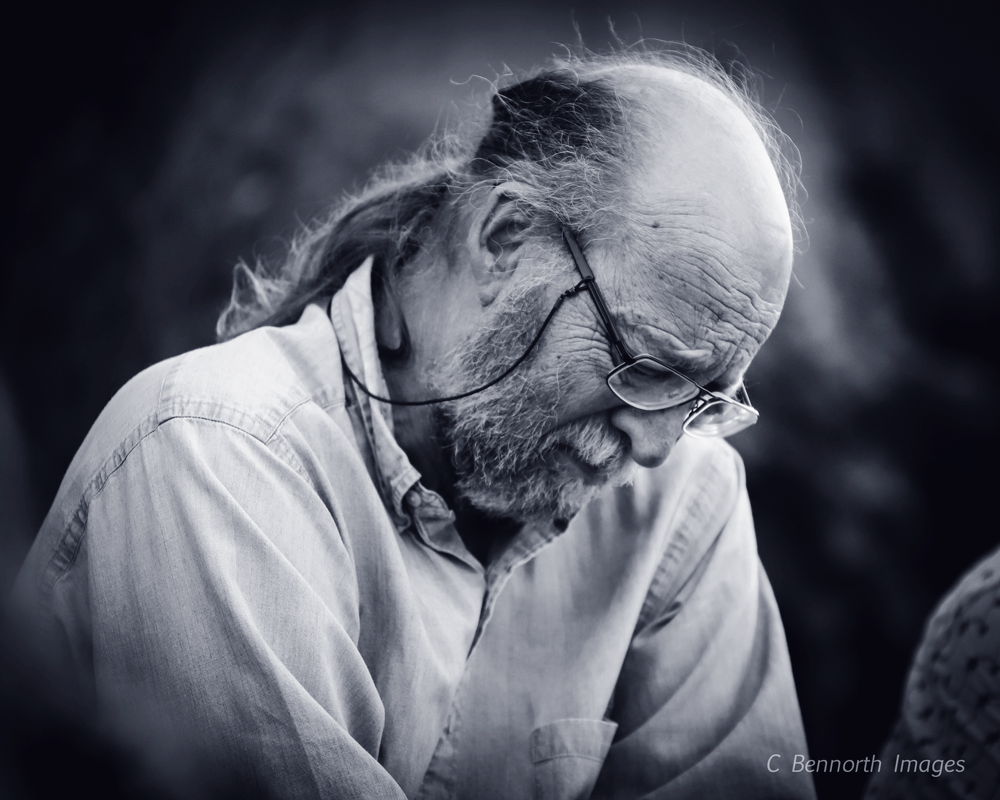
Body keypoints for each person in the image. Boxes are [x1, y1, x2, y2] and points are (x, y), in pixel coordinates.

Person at [13, 46, 815, 799]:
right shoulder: (217, 458)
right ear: (506, 238)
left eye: (709, 399)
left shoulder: (685, 502)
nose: (655, 446)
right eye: (646, 366)